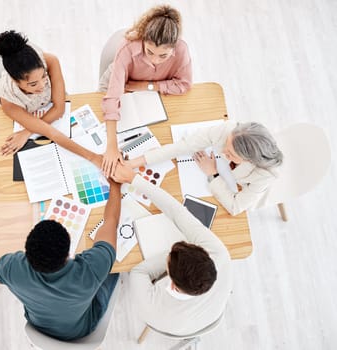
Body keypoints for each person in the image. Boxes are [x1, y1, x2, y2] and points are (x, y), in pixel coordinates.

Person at [0, 179, 122, 341]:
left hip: (38, 326)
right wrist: (115, 185)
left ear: (27, 252)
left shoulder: (13, 268)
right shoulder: (90, 270)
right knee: (116, 270)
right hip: (82, 328)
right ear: (68, 252)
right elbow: (111, 221)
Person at [111, 161, 232, 336]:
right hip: (209, 315)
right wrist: (134, 179)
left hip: (175, 324)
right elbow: (178, 212)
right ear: (205, 254)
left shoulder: (152, 307)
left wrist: (169, 257)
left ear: (172, 283)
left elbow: (139, 272)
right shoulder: (219, 254)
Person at [99, 4, 193, 177]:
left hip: (148, 93)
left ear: (174, 47)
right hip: (120, 85)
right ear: (143, 40)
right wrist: (111, 146)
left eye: (163, 56)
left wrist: (147, 86)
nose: (155, 60)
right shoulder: (128, 47)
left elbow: (184, 85)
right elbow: (112, 98)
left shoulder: (181, 50)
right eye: (149, 52)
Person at [126, 121, 283, 215]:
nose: (222, 152)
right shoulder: (230, 130)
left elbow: (235, 207)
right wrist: (135, 162)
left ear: (250, 160)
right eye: (226, 145)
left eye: (230, 154)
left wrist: (212, 174)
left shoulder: (265, 174)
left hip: (242, 188)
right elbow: (183, 146)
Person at [0, 30, 100, 166]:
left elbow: (59, 109)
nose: (42, 85)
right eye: (33, 84)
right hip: (24, 110)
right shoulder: (8, 100)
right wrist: (94, 158)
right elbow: (51, 133)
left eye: (44, 76)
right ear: (14, 80)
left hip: (46, 107)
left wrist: (27, 131)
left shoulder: (50, 61)